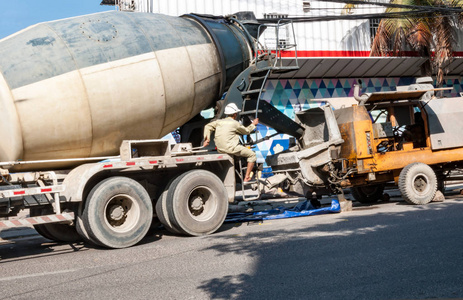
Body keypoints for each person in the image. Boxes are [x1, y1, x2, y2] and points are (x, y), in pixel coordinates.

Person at [203, 103, 259, 182]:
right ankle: (246, 177)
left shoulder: (219, 122)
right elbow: (246, 131)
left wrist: (207, 139)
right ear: (235, 114)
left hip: (220, 149)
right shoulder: (235, 123)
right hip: (231, 148)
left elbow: (207, 126)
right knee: (252, 155)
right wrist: (253, 124)